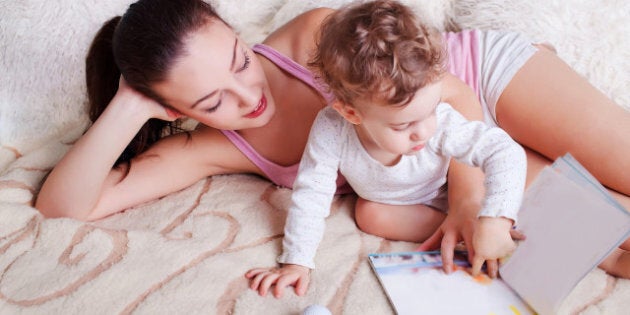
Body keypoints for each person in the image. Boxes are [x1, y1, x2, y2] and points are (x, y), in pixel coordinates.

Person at [34, 0, 629, 295]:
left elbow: (451, 92)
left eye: (239, 61)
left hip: (477, 84)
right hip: (441, 160)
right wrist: (131, 101)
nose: (249, 95)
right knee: (608, 239)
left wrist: (466, 206)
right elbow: (64, 207)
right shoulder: (213, 149)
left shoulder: (315, 33)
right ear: (178, 111)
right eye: (212, 101)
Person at [246, 0, 528, 299]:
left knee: (520, 190)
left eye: (431, 109)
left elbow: (504, 152)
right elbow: (311, 193)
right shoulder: (331, 129)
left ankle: (479, 224)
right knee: (368, 214)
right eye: (402, 126)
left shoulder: (440, 123)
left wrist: (496, 218)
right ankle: (461, 232)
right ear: (351, 113)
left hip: (452, 188)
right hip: (401, 206)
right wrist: (297, 261)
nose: (423, 130)